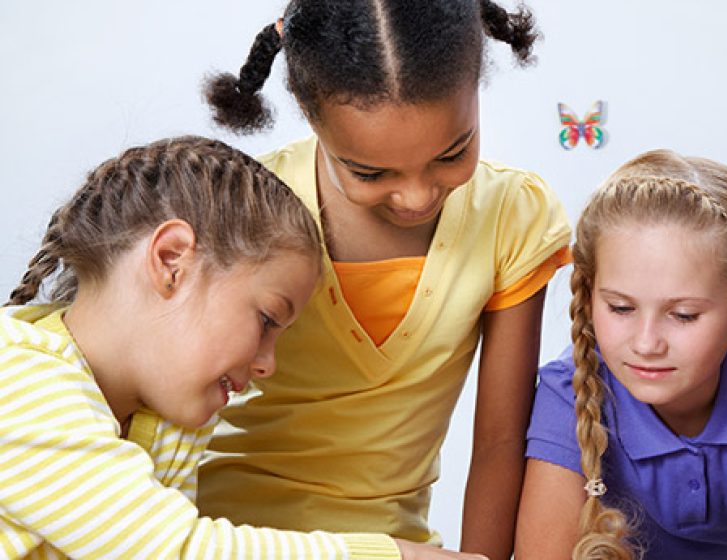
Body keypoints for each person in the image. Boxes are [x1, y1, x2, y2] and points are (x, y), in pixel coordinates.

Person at [197, 2, 571, 558]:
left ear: (476, 83)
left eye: (453, 152)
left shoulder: (512, 217)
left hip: (399, 548)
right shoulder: (247, 207)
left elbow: (497, 442)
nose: (416, 196)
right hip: (224, 539)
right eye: (370, 172)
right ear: (306, 108)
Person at [0, 136, 486, 559]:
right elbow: (176, 551)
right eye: (267, 320)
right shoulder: (19, 378)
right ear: (172, 261)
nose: (267, 364)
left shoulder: (166, 418)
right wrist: (392, 555)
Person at [515, 150, 727, 559]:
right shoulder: (567, 392)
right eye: (621, 308)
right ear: (590, 297)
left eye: (683, 315)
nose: (646, 343)